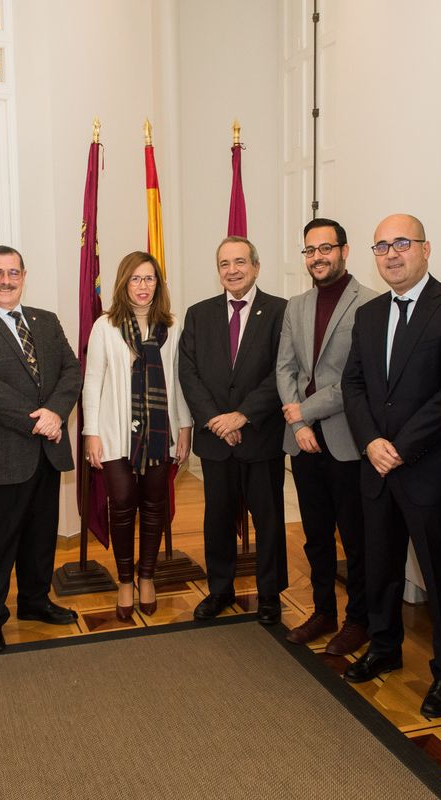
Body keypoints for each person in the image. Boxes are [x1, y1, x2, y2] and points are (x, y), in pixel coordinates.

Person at [341, 214, 441, 720]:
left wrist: (399, 445)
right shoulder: (369, 314)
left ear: (426, 248)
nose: (391, 254)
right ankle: (384, 646)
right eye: (382, 246)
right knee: (380, 566)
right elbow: (354, 384)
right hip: (375, 467)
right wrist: (372, 441)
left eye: (402, 243)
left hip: (430, 471)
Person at [0, 246, 82, 653]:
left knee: (41, 535)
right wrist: (38, 420)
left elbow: (71, 371)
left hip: (47, 450)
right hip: (0, 455)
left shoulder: (46, 321)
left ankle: (34, 601)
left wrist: (56, 413)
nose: (5, 280)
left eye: (13, 273)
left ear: (24, 275)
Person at [275, 218, 375, 654]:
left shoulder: (370, 305)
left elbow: (357, 377)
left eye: (325, 248)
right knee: (315, 534)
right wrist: (298, 425)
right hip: (302, 441)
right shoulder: (295, 306)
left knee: (355, 538)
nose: (317, 257)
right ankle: (322, 612)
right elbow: (285, 369)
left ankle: (359, 621)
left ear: (345, 251)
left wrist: (306, 411)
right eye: (310, 250)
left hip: (346, 439)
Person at [179, 236, 288, 624]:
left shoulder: (280, 311)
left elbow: (282, 372)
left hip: (260, 434)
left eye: (240, 262)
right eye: (224, 264)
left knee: (269, 518)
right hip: (215, 438)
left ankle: (271, 594)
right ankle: (219, 590)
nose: (232, 270)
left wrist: (241, 416)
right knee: (218, 518)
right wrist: (215, 420)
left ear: (256, 266)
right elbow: (188, 373)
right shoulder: (199, 313)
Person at [82, 252, 192, 620]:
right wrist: (91, 433)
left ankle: (147, 576)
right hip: (114, 433)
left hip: (161, 435)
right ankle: (125, 579)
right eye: (135, 279)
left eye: (150, 279)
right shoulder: (106, 327)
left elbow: (179, 382)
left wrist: (185, 427)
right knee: (124, 502)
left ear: (158, 285)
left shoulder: (172, 328)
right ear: (123, 283)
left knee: (155, 505)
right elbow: (92, 382)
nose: (143, 286)